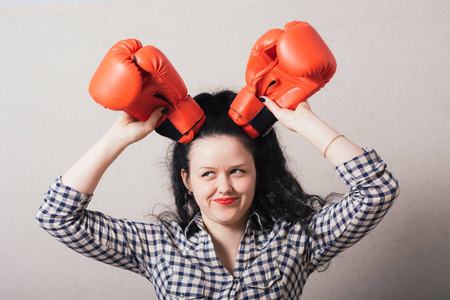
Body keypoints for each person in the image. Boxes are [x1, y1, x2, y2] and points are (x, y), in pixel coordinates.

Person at [36, 90, 400, 299]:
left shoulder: (296, 241)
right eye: (208, 174)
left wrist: (303, 121)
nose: (223, 187)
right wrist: (119, 137)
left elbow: (376, 190)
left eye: (238, 171)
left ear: (258, 174)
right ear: (188, 179)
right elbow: (57, 215)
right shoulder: (157, 246)